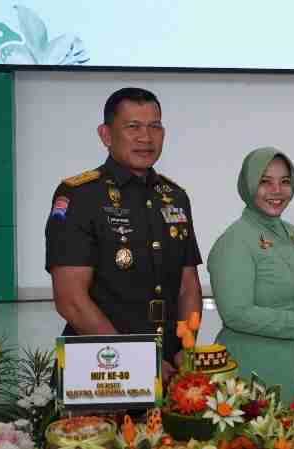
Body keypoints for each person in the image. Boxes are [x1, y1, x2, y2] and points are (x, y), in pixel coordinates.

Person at [46, 87, 203, 384]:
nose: (146, 138)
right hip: (102, 370)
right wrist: (138, 361)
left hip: (169, 366)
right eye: (133, 127)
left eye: (154, 126)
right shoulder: (80, 195)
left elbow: (188, 286)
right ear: (106, 135)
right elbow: (71, 300)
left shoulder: (175, 197)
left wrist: (187, 347)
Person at [207, 147, 294, 409]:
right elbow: (236, 313)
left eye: (284, 181)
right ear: (248, 185)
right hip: (255, 372)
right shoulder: (235, 240)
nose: (277, 191)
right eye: (265, 181)